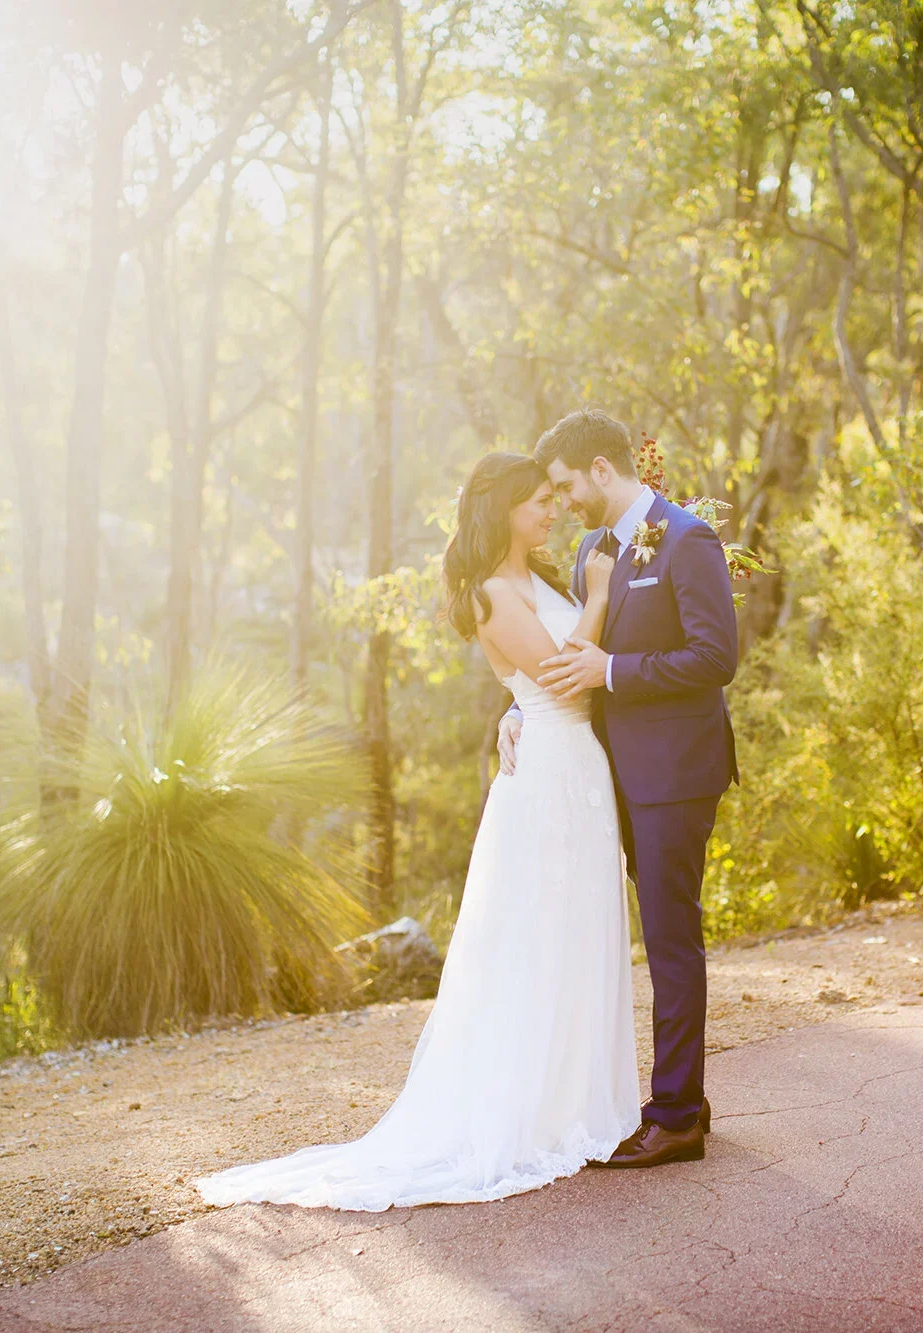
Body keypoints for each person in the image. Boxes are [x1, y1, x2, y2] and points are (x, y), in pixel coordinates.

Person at [193, 451, 636, 1210]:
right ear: (502, 511)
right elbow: (563, 671)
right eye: (537, 502)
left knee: (580, 929)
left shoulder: (536, 579)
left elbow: (535, 684)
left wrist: (516, 704)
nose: (551, 511)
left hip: (576, 765)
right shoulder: (493, 591)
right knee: (538, 934)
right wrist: (598, 595)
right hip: (550, 779)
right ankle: (527, 1114)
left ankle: (581, 1103)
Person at [518, 407, 740, 1169]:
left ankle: (675, 1115)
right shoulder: (590, 552)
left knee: (672, 939)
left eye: (564, 484)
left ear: (602, 470)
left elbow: (716, 657)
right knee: (648, 937)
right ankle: (692, 1098)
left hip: (676, 775)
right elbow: (571, 649)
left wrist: (612, 673)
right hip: (606, 778)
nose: (562, 501)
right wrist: (520, 707)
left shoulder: (688, 539)